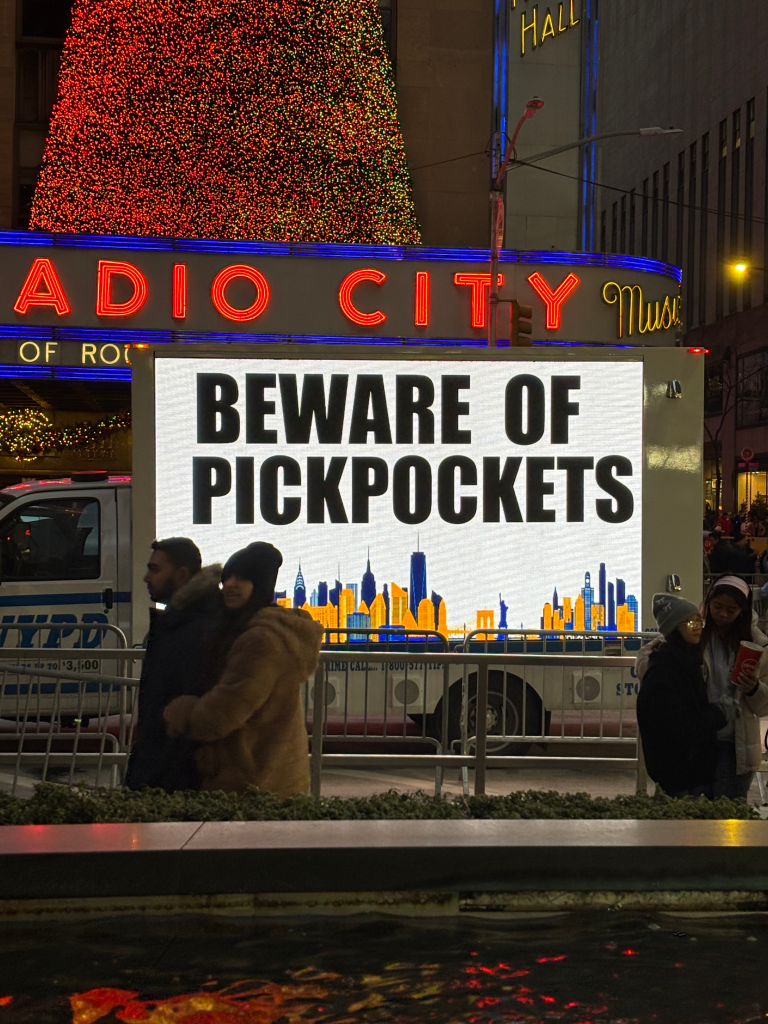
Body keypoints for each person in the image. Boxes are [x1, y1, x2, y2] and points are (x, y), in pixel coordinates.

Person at [163, 542, 323, 797]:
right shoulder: (255, 629)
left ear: (259, 586)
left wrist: (185, 711)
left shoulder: (261, 640)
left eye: (243, 578)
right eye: (227, 578)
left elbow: (225, 711)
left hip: (251, 780)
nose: (231, 585)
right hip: (272, 774)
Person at [125, 538, 221, 792]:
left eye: (155, 570)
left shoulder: (198, 629)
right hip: (163, 770)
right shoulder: (178, 623)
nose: (146, 578)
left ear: (181, 575)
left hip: (174, 776)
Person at [636, 594, 727, 798]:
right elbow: (678, 727)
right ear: (673, 627)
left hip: (690, 773)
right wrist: (718, 713)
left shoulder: (685, 662)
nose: (697, 627)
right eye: (689, 622)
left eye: (699, 621)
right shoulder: (664, 671)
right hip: (680, 776)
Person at [700, 575, 768, 799]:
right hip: (699, 738)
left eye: (732, 610)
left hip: (735, 745)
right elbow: (649, 656)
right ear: (708, 602)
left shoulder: (759, 645)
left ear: (743, 611)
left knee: (729, 822)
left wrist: (753, 688)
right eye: (717, 606)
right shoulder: (695, 633)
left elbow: (763, 707)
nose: (722, 614)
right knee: (692, 820)